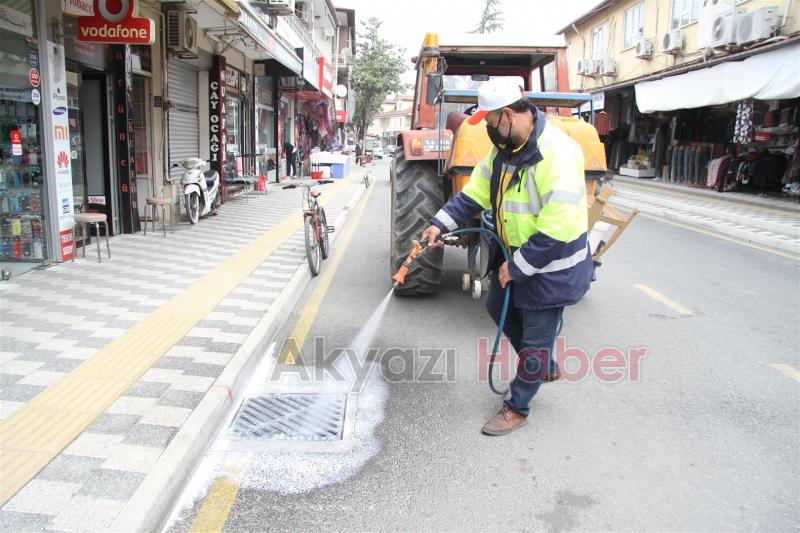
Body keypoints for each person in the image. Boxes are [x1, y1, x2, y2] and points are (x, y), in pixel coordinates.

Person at [421, 77, 592, 436]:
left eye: (490, 121)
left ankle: (517, 406)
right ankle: (542, 362)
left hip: (551, 265)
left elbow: (557, 227)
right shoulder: (503, 153)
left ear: (510, 115)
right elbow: (474, 195)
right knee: (495, 306)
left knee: (535, 339)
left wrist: (517, 267)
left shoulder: (556, 153)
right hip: (517, 256)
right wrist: (440, 224)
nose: (487, 129)